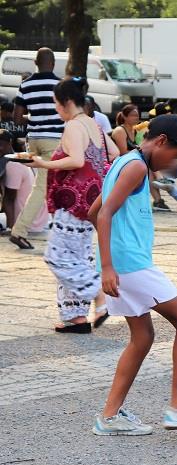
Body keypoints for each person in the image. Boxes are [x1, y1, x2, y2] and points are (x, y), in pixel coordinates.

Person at [89, 114, 177, 436]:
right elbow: (104, 213)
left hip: (124, 263)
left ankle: (109, 417)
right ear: (160, 141)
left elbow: (94, 212)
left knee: (143, 337)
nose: (176, 162)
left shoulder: (126, 163)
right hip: (131, 265)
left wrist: (112, 255)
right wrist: (110, 264)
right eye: (176, 155)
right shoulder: (134, 167)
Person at [28, 77, 119, 333]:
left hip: (72, 202)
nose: (56, 109)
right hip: (90, 202)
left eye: (56, 104)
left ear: (67, 102)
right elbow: (113, 153)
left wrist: (43, 164)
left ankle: (99, 296)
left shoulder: (73, 126)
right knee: (77, 258)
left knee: (57, 258)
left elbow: (76, 160)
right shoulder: (94, 124)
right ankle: (76, 317)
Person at [8, 48, 64, 251]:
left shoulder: (26, 84)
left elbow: (16, 117)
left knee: (49, 184)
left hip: (34, 139)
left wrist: (35, 118)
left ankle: (58, 227)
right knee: (43, 186)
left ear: (35, 63)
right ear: (54, 63)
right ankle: (19, 231)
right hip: (55, 140)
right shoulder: (60, 85)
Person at [0, 130, 48, 233]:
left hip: (28, 224)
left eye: (0, 145)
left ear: (9, 143)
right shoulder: (18, 158)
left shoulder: (13, 164)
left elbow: (9, 199)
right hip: (39, 220)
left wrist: (10, 230)